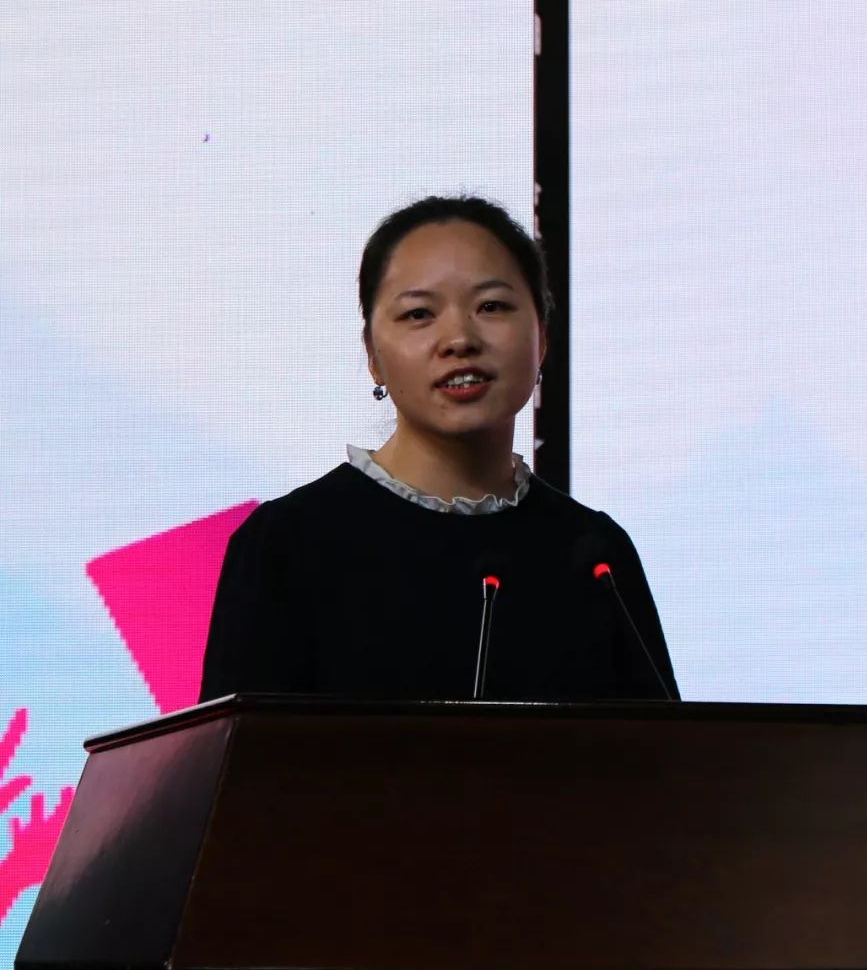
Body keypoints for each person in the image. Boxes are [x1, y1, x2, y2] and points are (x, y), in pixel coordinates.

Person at [199, 195, 678, 702]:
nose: (459, 339)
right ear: (373, 356)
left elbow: (666, 751)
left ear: (542, 336)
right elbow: (235, 753)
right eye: (419, 314)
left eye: (491, 306)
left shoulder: (597, 556)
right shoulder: (285, 545)